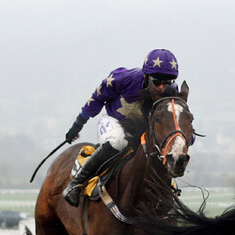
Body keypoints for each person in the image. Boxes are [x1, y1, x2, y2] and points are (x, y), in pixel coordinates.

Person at [61, 49, 180, 206]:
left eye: (168, 83)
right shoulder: (124, 78)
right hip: (114, 122)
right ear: (145, 76)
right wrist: (77, 125)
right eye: (157, 82)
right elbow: (98, 97)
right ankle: (76, 184)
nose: (162, 88)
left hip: (142, 132)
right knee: (118, 141)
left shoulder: (172, 92)